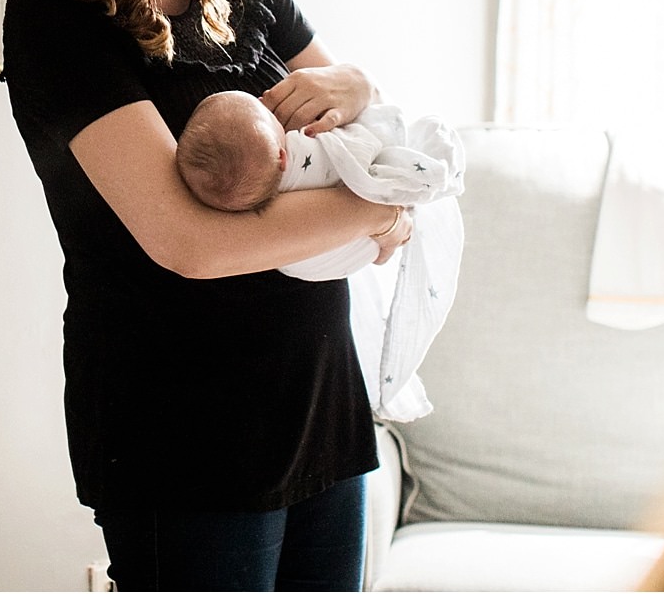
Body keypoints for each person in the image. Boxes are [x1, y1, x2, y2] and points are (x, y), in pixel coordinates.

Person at [1, 0, 412, 592]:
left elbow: (350, 114)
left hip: (318, 404)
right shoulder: (57, 16)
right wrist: (373, 210)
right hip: (181, 430)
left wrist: (361, 86)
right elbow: (189, 241)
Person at [175, 90, 467, 423]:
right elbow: (364, 141)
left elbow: (366, 94)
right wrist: (382, 216)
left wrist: (356, 82)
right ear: (284, 158)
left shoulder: (267, 230)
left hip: (324, 381)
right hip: (287, 385)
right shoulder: (305, 153)